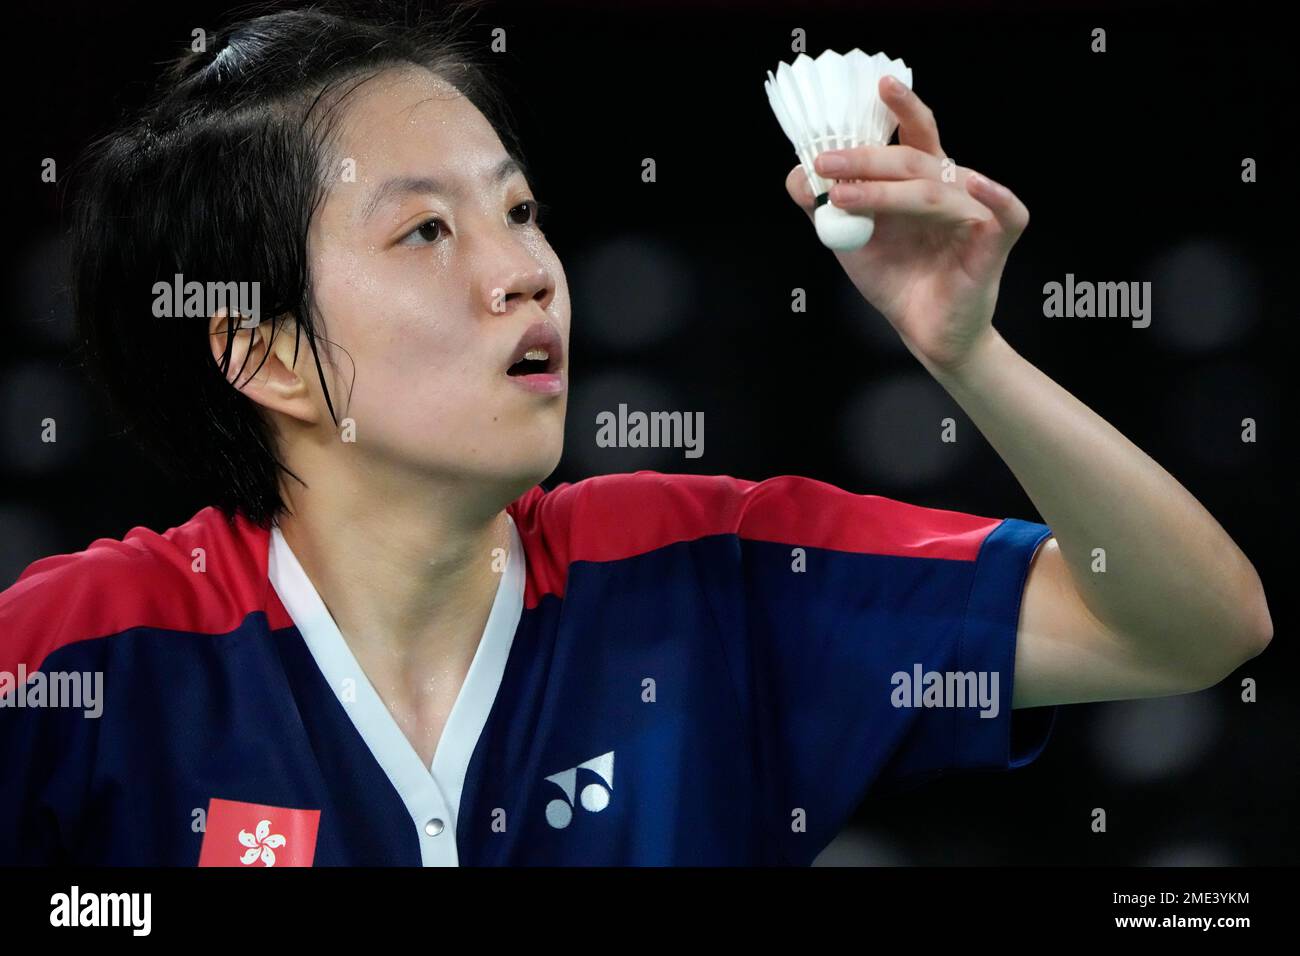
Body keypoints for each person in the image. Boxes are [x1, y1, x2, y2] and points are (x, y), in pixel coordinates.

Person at [0, 5, 1272, 866]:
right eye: (427, 231)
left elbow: (1188, 626)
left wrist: (965, 350)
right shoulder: (88, 655)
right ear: (265, 353)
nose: (527, 273)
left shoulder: (711, 577)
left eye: (521, 209)